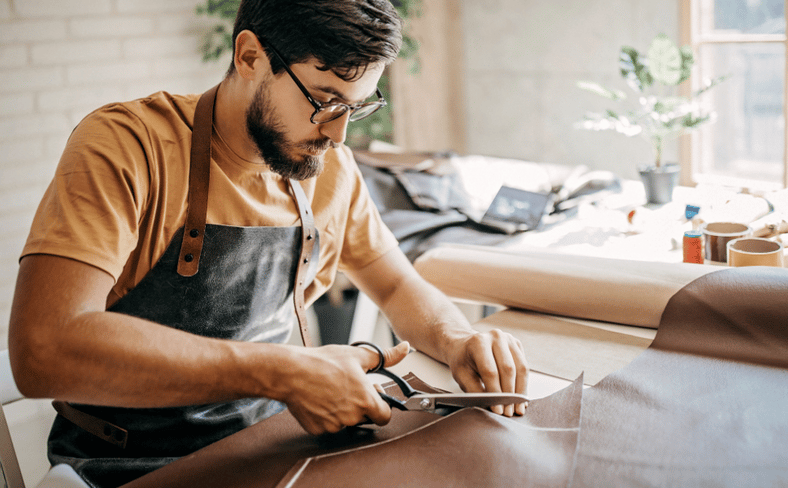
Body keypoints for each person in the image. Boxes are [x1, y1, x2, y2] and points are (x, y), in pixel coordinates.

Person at [8, 1, 528, 486]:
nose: (340, 135)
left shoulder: (330, 169)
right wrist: (283, 372)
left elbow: (393, 283)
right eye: (325, 103)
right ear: (250, 56)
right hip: (132, 463)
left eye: (357, 106)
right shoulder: (128, 146)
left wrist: (459, 339)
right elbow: (44, 349)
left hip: (279, 443)